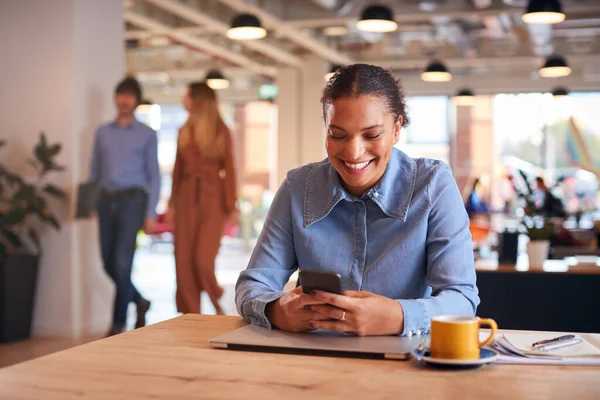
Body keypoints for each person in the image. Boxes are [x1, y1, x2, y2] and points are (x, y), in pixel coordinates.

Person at [235, 64, 479, 337]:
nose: (353, 152)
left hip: (404, 363)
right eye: (337, 135)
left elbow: (462, 300)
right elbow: (252, 286)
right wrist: (278, 310)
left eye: (371, 135)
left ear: (397, 128)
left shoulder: (433, 185)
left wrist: (398, 316)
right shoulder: (298, 188)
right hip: (313, 361)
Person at [88, 77, 160, 336]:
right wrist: (89, 202)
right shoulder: (102, 132)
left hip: (133, 201)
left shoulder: (147, 134)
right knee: (106, 262)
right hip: (105, 201)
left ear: (136, 100)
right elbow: (94, 170)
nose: (124, 100)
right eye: (120, 95)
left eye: (129, 96)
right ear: (115, 98)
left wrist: (151, 212)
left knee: (122, 263)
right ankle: (139, 300)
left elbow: (154, 175)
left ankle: (117, 324)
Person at [167, 82, 237, 315]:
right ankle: (190, 315)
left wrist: (231, 206)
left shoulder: (220, 131)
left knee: (202, 261)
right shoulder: (183, 131)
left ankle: (218, 299)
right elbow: (177, 171)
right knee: (183, 261)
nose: (183, 100)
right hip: (186, 198)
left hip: (212, 199)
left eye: (186, 95)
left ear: (198, 100)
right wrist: (171, 204)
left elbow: (229, 169)